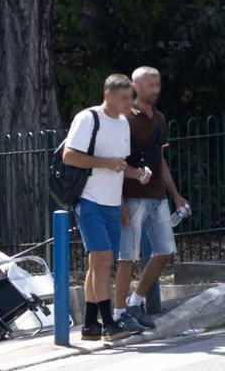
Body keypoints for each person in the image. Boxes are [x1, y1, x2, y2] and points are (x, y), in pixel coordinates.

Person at [62, 74, 152, 342]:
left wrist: (137, 174)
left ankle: (89, 325)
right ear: (108, 95)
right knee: (102, 260)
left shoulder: (123, 124)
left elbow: (119, 165)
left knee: (100, 263)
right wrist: (105, 163)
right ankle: (107, 324)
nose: (130, 103)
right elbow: (69, 156)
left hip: (112, 203)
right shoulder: (88, 118)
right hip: (88, 199)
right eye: (125, 98)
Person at [112, 66, 189, 334]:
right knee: (127, 258)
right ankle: (118, 313)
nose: (155, 89)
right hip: (132, 197)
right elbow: (117, 164)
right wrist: (119, 200)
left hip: (157, 197)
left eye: (157, 84)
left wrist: (175, 195)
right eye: (149, 85)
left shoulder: (159, 119)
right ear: (135, 87)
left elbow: (161, 160)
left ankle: (135, 303)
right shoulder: (124, 120)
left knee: (165, 251)